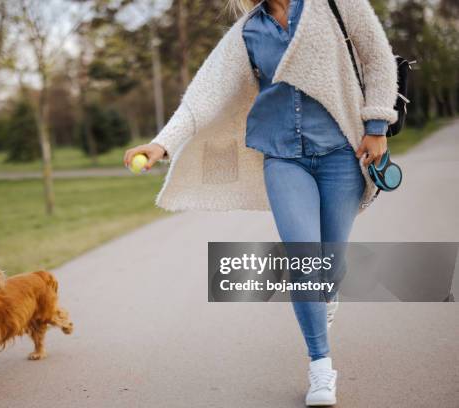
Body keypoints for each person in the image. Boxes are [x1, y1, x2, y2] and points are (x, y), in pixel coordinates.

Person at [124, 0, 397, 406]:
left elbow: (378, 58)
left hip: (342, 153)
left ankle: (328, 293)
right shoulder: (248, 31)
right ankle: (321, 366)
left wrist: (377, 125)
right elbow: (203, 96)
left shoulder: (337, 5)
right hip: (283, 158)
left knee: (330, 264)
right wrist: (162, 143)